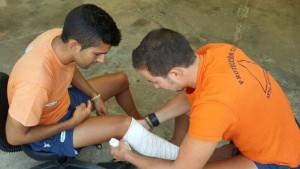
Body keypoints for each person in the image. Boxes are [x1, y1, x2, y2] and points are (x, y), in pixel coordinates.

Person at [110, 28, 300, 169]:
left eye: (154, 81)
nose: (155, 86)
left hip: (280, 158)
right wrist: (151, 121)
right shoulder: (218, 52)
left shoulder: (212, 108)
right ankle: (227, 153)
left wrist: (130, 157)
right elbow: (190, 95)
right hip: (283, 128)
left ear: (175, 73)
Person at [5, 4, 145, 157]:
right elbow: (14, 137)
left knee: (121, 80)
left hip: (60, 102)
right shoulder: (35, 84)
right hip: (48, 130)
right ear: (74, 45)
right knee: (125, 125)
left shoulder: (59, 39)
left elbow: (69, 67)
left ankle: (141, 123)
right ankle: (138, 133)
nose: (102, 60)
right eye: (97, 54)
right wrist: (71, 123)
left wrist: (95, 97)